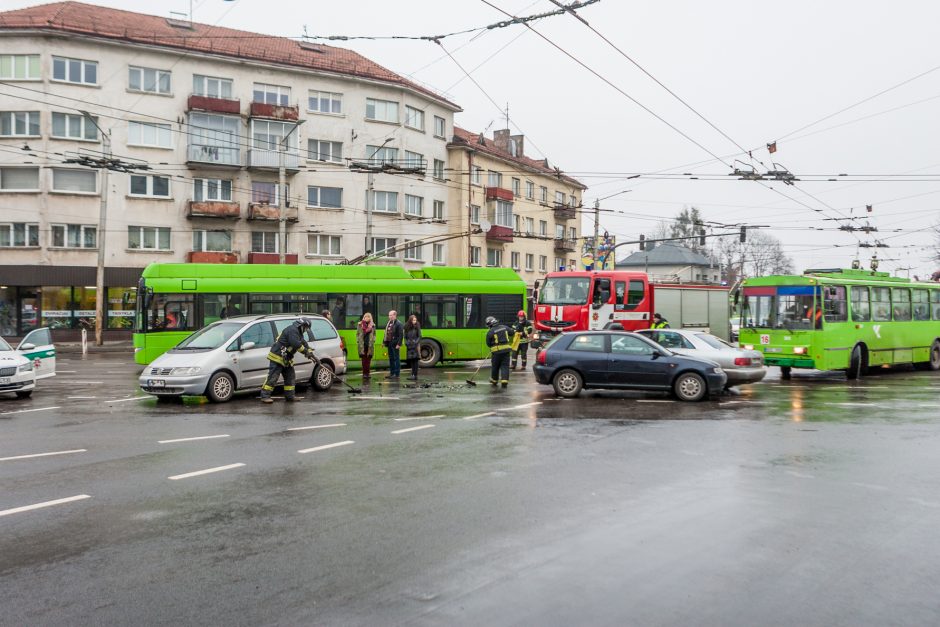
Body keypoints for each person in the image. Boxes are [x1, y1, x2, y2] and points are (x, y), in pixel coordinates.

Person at [261, 318, 315, 403]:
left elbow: (303, 343)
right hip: (277, 356)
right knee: (273, 377)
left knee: (290, 377)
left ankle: (290, 396)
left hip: (286, 358)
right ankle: (265, 396)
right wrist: (305, 352)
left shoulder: (298, 333)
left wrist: (310, 352)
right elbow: (296, 344)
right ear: (303, 326)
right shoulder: (292, 331)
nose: (306, 330)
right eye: (306, 328)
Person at [485, 315, 512, 388]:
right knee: (505, 366)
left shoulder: (490, 332)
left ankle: (494, 380)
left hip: (496, 352)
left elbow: (488, 343)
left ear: (489, 324)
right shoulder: (504, 327)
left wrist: (493, 346)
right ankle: (504, 381)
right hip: (506, 351)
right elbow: (512, 332)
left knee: (495, 366)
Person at [383, 310, 404, 379]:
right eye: (389, 315)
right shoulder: (389, 323)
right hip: (389, 343)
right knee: (391, 358)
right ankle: (392, 373)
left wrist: (399, 344)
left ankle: (396, 374)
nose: (390, 317)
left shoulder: (398, 324)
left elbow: (401, 335)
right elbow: (386, 333)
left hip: (395, 344)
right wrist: (384, 342)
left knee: (396, 358)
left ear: (395, 315)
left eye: (391, 315)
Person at [356, 312, 376, 380]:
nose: (366, 318)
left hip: (370, 345)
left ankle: (368, 373)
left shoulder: (373, 325)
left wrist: (373, 340)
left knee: (368, 360)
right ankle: (364, 374)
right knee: (364, 360)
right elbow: (357, 334)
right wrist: (358, 340)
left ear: (370, 318)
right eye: (365, 317)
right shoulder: (360, 324)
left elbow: (374, 334)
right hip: (362, 345)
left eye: (368, 317)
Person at [404, 314, 422, 380]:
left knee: (415, 360)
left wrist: (415, 342)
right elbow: (405, 336)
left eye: (415, 320)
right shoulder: (406, 326)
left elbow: (420, 336)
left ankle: (415, 375)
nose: (415, 321)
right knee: (411, 360)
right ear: (410, 320)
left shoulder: (417, 326)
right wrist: (406, 343)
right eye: (413, 320)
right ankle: (412, 374)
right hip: (409, 345)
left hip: (415, 346)